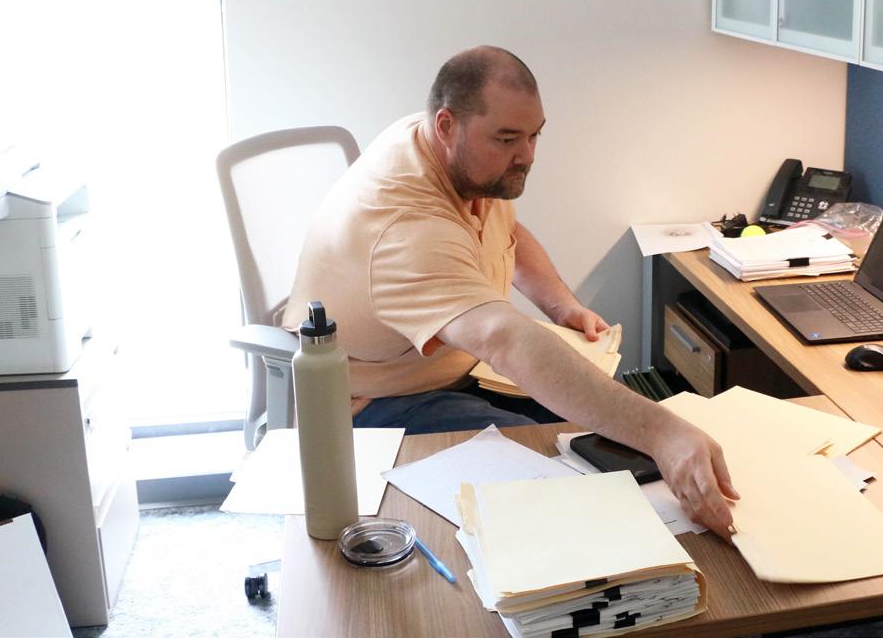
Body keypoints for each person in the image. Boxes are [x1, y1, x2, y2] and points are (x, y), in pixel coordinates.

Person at [282, 45, 738, 534]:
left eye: (534, 134)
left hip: (459, 370)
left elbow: (508, 233)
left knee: (612, 434)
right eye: (506, 139)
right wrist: (665, 435)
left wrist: (562, 306)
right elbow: (504, 338)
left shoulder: (451, 155)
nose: (527, 156)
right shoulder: (406, 224)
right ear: (446, 125)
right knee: (560, 472)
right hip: (377, 406)